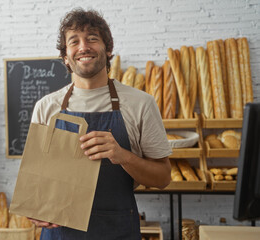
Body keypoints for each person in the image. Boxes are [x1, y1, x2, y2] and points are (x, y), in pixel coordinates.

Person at [29, 8, 172, 240]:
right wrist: (34, 208)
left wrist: (123, 156)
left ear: (108, 49)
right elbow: (35, 181)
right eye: (74, 41)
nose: (84, 47)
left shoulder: (140, 104)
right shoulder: (46, 107)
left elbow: (163, 177)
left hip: (118, 232)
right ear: (65, 56)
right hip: (60, 235)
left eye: (92, 39)